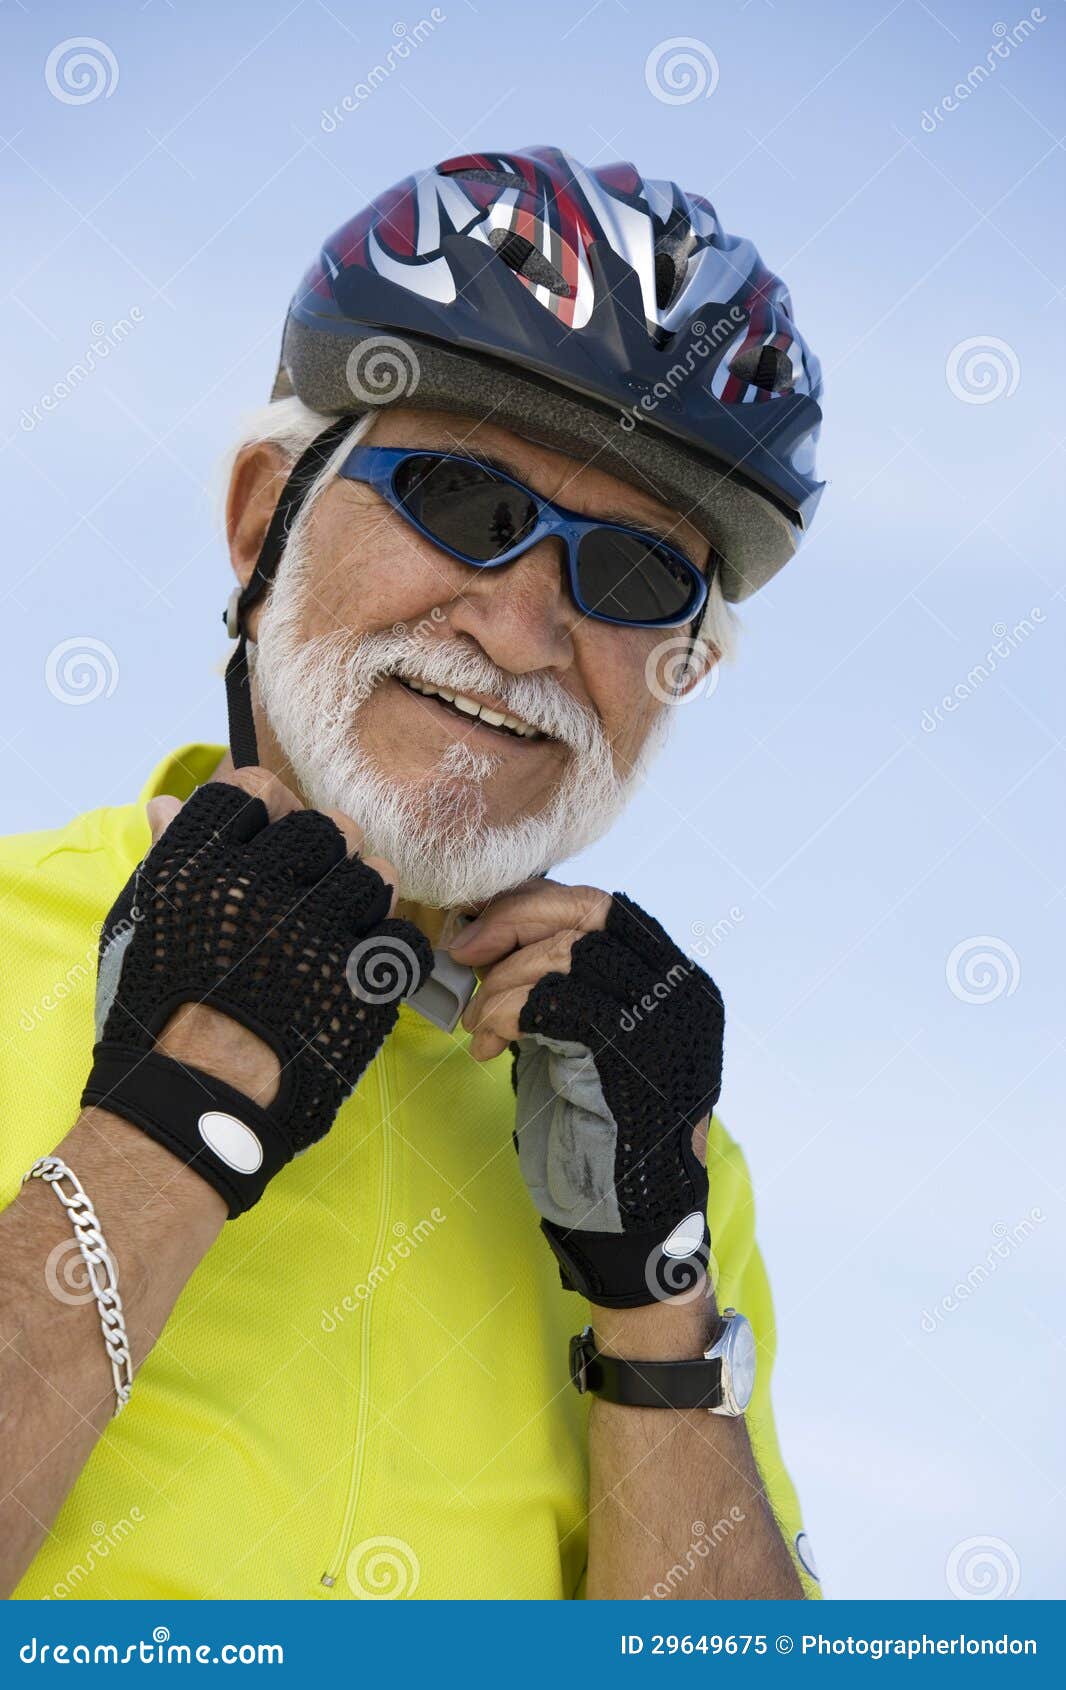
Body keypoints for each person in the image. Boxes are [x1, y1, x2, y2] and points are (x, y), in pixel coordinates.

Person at [0, 146, 824, 1601]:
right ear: (264, 514)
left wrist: (652, 1297)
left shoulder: (656, 1150)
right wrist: (174, 1119)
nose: (520, 631)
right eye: (459, 497)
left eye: (632, 574)